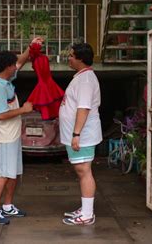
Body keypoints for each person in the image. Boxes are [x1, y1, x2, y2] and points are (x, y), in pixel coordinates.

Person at [0, 37, 42, 225]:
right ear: (6, 67)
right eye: (13, 65)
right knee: (4, 174)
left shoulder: (6, 81)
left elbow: (20, 62)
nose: (15, 67)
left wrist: (31, 47)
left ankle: (8, 206)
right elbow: (1, 114)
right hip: (5, 138)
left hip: (13, 136)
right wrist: (24, 110)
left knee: (14, 173)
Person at [59, 42, 102, 226]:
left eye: (71, 55)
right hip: (77, 134)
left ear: (81, 59)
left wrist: (76, 134)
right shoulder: (81, 77)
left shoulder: (85, 80)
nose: (68, 58)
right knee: (82, 171)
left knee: (83, 171)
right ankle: (85, 209)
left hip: (81, 135)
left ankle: (87, 214)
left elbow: (83, 108)